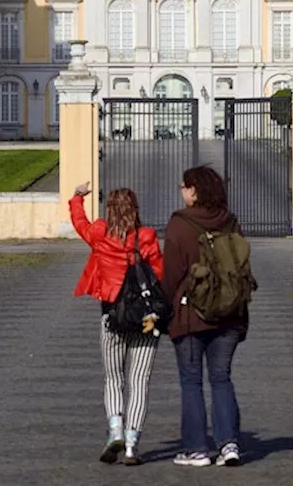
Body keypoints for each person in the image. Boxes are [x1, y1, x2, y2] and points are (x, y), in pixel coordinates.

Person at [69, 181, 164, 466]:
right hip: (146, 319)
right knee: (140, 381)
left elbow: (79, 223)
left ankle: (115, 431)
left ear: (109, 210)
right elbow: (159, 273)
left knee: (114, 378)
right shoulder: (146, 237)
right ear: (135, 210)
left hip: (112, 316)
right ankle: (133, 443)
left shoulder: (100, 233)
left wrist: (77, 197)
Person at [162, 166, 247, 468]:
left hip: (190, 314)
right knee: (221, 379)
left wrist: (163, 308)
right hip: (230, 314)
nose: (181, 191)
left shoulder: (179, 224)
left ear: (194, 190)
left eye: (184, 186)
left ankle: (197, 448)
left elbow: (171, 275)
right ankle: (229, 444)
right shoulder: (230, 221)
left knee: (191, 381)